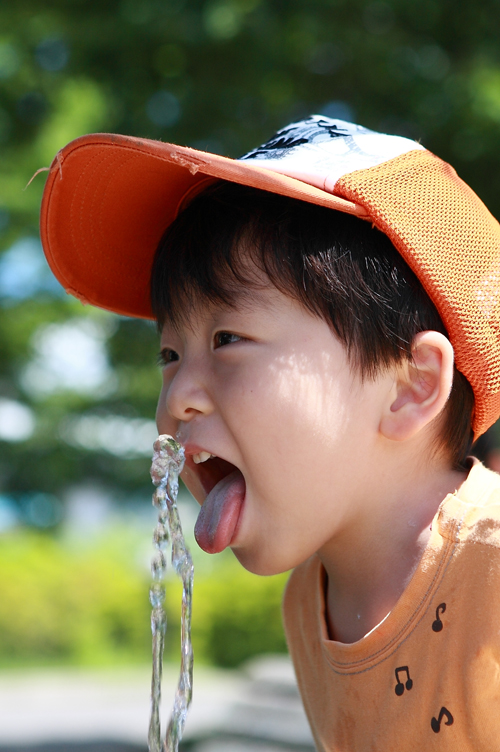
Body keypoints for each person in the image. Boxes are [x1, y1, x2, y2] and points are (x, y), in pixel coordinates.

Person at [40, 116, 500, 750]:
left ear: (408, 386)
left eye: (228, 340)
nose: (177, 399)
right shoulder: (310, 599)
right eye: (169, 356)